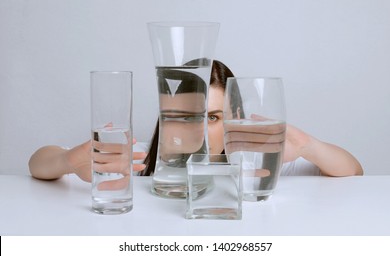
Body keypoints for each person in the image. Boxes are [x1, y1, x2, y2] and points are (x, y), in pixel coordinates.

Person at [29, 60, 363, 182]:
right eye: (186, 117)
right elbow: (38, 163)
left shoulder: (258, 167)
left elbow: (353, 171)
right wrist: (69, 161)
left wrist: (307, 145)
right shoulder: (139, 160)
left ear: (234, 119)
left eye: (214, 117)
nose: (200, 129)